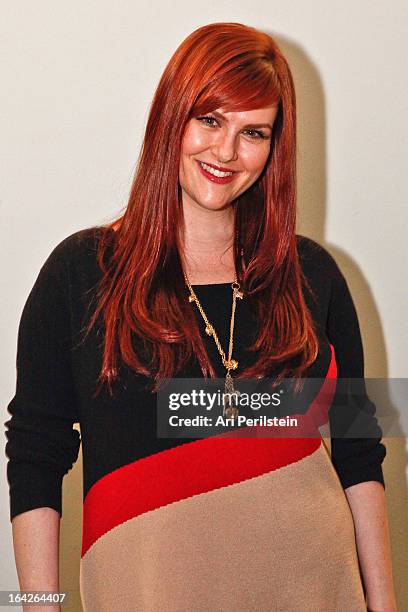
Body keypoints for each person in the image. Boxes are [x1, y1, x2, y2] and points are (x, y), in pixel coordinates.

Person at [4, 22, 397, 612]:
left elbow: (359, 452)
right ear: (171, 118)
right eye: (210, 120)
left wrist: (384, 606)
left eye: (253, 132)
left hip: (317, 589)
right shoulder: (81, 271)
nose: (226, 152)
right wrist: (38, 607)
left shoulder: (313, 275)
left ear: (275, 147)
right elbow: (35, 450)